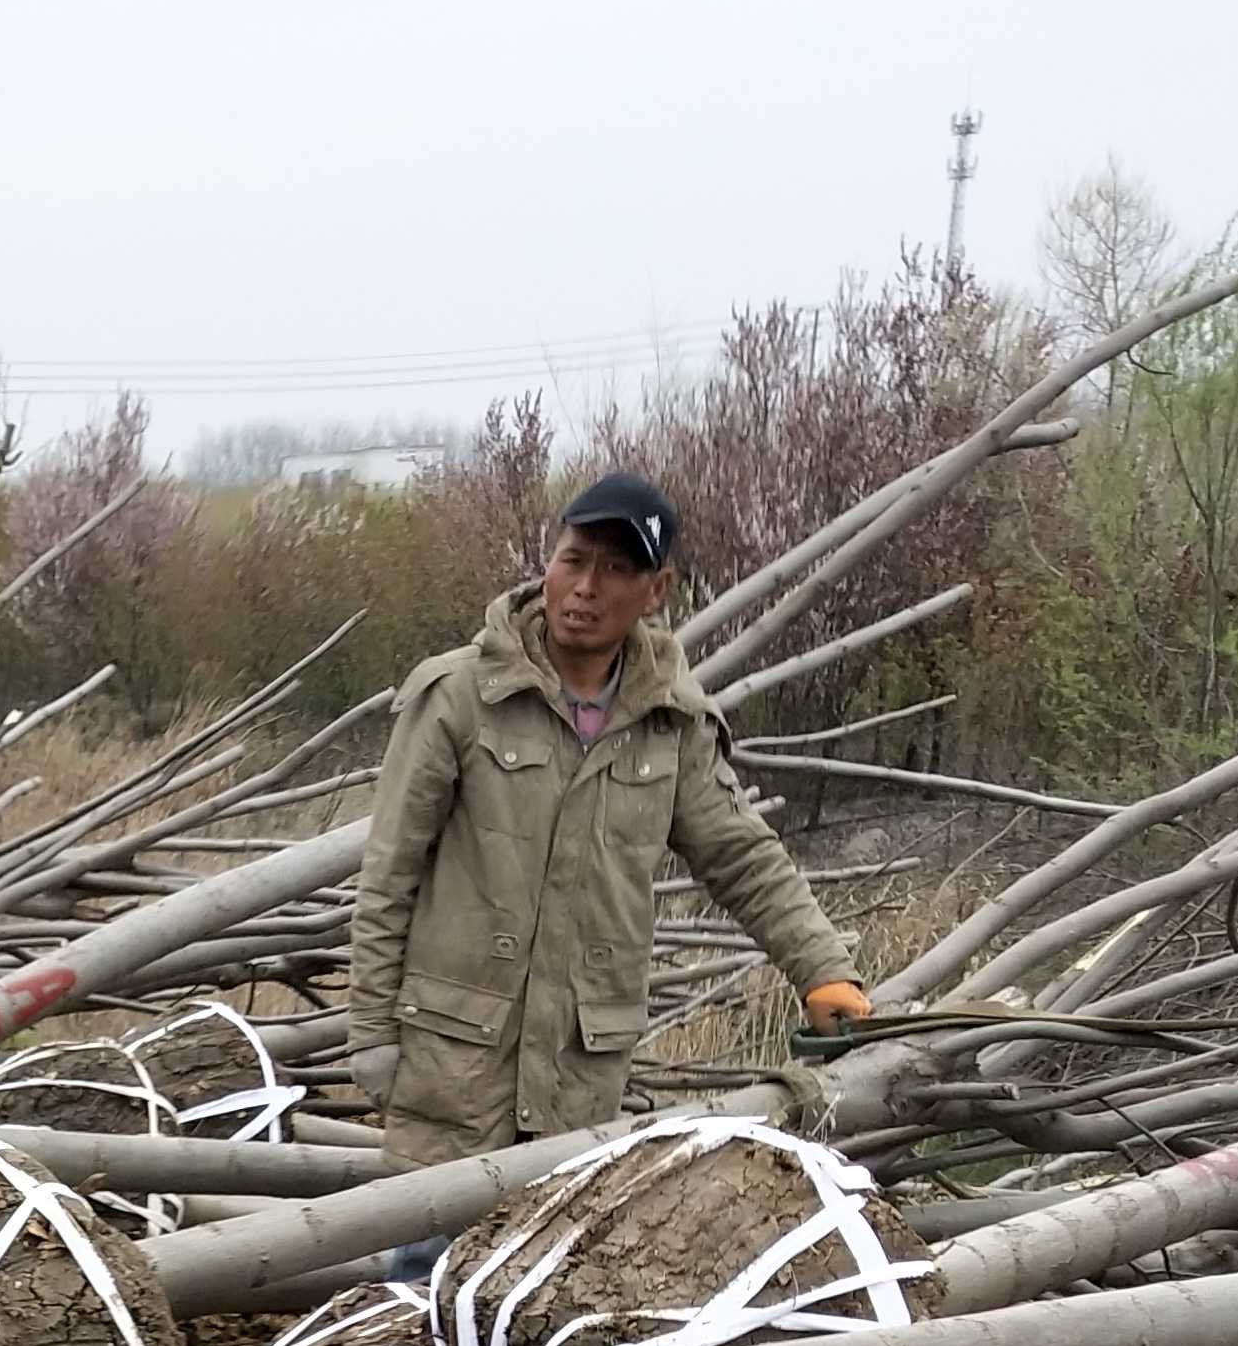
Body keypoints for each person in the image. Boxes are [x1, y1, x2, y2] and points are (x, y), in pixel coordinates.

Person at [347, 472, 873, 1173]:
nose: (587, 588)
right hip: (452, 1076)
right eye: (575, 560)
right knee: (422, 1278)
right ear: (550, 562)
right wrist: (372, 1035)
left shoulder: (670, 723)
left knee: (551, 1282)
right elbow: (390, 878)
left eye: (617, 569)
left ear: (656, 590)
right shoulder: (460, 698)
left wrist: (822, 972)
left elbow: (744, 859)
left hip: (577, 1089)